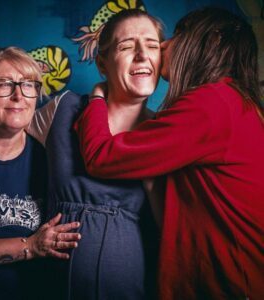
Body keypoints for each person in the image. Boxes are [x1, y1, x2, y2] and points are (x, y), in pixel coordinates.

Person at [75, 7, 264, 300]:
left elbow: (101, 156)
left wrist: (97, 98)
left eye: (177, 36)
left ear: (210, 42)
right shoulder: (235, 101)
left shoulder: (212, 103)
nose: (163, 46)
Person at [28, 9, 164, 300]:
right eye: (126, 46)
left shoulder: (167, 131)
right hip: (51, 284)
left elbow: (172, 228)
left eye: (152, 45)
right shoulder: (63, 108)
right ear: (102, 63)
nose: (142, 55)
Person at [0, 47, 81, 300]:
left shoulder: (50, 160)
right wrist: (29, 246)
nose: (19, 95)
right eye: (4, 84)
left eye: (28, 85)